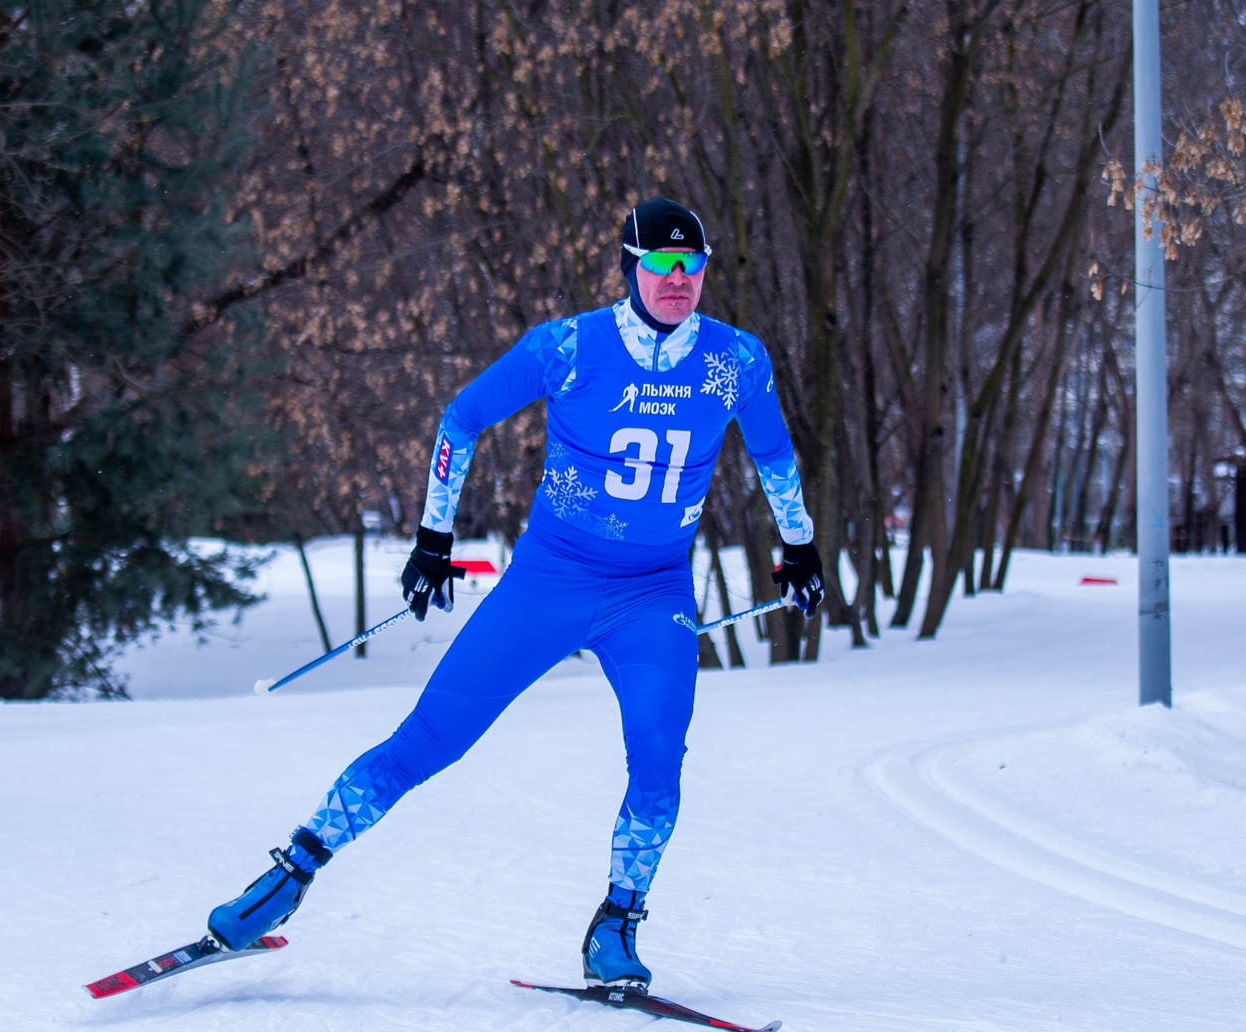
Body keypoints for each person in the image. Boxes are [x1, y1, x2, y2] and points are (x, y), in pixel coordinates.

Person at [204, 197, 824, 991]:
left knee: (659, 757)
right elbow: (461, 420)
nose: (679, 280)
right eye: (662, 265)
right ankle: (290, 872)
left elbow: (774, 455)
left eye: (693, 265)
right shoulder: (568, 346)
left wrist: (800, 544)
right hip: (549, 580)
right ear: (630, 266)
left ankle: (618, 921)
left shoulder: (735, 360)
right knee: (431, 739)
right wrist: (434, 538)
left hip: (651, 593)